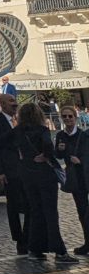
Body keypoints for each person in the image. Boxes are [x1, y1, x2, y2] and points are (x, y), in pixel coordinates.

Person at [14, 101, 77, 265]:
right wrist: (46, 156)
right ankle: (60, 252)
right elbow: (48, 146)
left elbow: (3, 144)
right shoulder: (42, 130)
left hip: (27, 175)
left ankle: (35, 249)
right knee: (50, 213)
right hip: (44, 175)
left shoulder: (17, 131)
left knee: (36, 212)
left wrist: (23, 159)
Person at [0, 94, 29, 255]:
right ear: (3, 104)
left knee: (30, 204)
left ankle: (28, 236)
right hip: (10, 170)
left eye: (15, 101)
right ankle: (19, 240)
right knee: (13, 206)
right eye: (11, 101)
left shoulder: (21, 121)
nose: (15, 104)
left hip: (25, 168)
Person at [55, 103, 89, 256]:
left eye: (70, 116)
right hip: (75, 179)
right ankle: (87, 243)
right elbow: (58, 155)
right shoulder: (60, 136)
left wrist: (80, 161)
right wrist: (60, 150)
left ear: (75, 118)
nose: (68, 119)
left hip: (85, 174)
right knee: (82, 211)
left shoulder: (83, 135)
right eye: (65, 116)